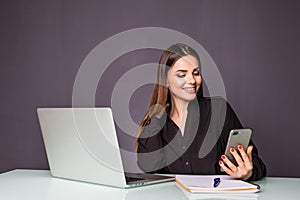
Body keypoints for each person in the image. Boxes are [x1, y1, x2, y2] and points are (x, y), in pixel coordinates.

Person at [136, 43, 266, 181]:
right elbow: (149, 167)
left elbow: (258, 165)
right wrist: (155, 118)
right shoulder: (157, 121)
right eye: (182, 74)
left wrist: (248, 173)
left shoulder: (218, 110)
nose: (192, 80)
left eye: (196, 73)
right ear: (166, 80)